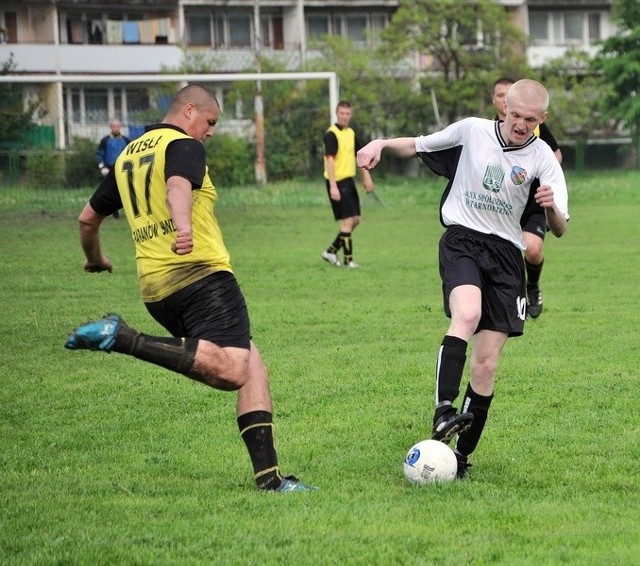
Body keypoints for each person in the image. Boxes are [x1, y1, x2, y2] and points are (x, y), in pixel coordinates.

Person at [65, 84, 317, 493]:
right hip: (202, 275)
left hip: (156, 290)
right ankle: (125, 338)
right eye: (210, 121)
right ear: (188, 111)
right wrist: (183, 227)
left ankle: (270, 480)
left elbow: (87, 219)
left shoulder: (129, 155)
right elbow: (178, 187)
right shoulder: (181, 146)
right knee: (235, 368)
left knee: (252, 363)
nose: (210, 131)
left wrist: (95, 259)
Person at [357, 79, 569, 478]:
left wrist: (552, 208)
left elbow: (559, 228)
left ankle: (462, 458)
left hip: (507, 258)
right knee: (466, 315)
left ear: (543, 119)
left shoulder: (543, 158)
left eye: (529, 119)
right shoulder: (472, 131)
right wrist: (380, 144)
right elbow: (419, 144)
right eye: (514, 115)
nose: (520, 124)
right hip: (463, 242)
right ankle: (442, 410)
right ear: (504, 107)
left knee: (486, 364)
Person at [492, 77, 563, 318]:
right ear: (496, 101)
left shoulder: (535, 126)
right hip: (501, 202)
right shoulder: (487, 131)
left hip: (532, 201)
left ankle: (532, 287)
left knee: (532, 250)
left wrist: (546, 177)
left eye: (507, 93)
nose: (503, 99)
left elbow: (556, 155)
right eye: (499, 95)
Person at [321, 100, 374, 268]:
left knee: (356, 219)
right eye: (342, 113)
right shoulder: (331, 134)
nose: (344, 116)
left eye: (347, 113)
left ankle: (330, 251)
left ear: (350, 115)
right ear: (337, 114)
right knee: (347, 220)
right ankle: (348, 260)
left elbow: (360, 156)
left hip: (349, 180)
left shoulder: (351, 133)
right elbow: (330, 160)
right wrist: (333, 186)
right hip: (337, 181)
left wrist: (366, 177)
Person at [96, 119, 130, 218]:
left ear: (120, 127)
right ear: (110, 127)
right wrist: (102, 166)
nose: (116, 128)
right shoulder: (105, 140)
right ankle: (111, 211)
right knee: (109, 190)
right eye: (113, 126)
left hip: (123, 168)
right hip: (109, 168)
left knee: (125, 190)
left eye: (117, 126)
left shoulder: (126, 140)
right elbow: (99, 154)